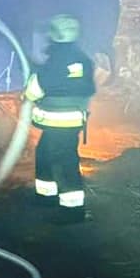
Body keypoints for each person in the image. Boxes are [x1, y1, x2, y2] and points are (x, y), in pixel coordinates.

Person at [23, 14, 96, 223]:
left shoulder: (55, 60)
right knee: (44, 153)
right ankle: (46, 196)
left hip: (57, 121)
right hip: (72, 120)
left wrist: (29, 87)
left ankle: (73, 211)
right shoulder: (82, 59)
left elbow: (35, 89)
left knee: (64, 163)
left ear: (54, 35)